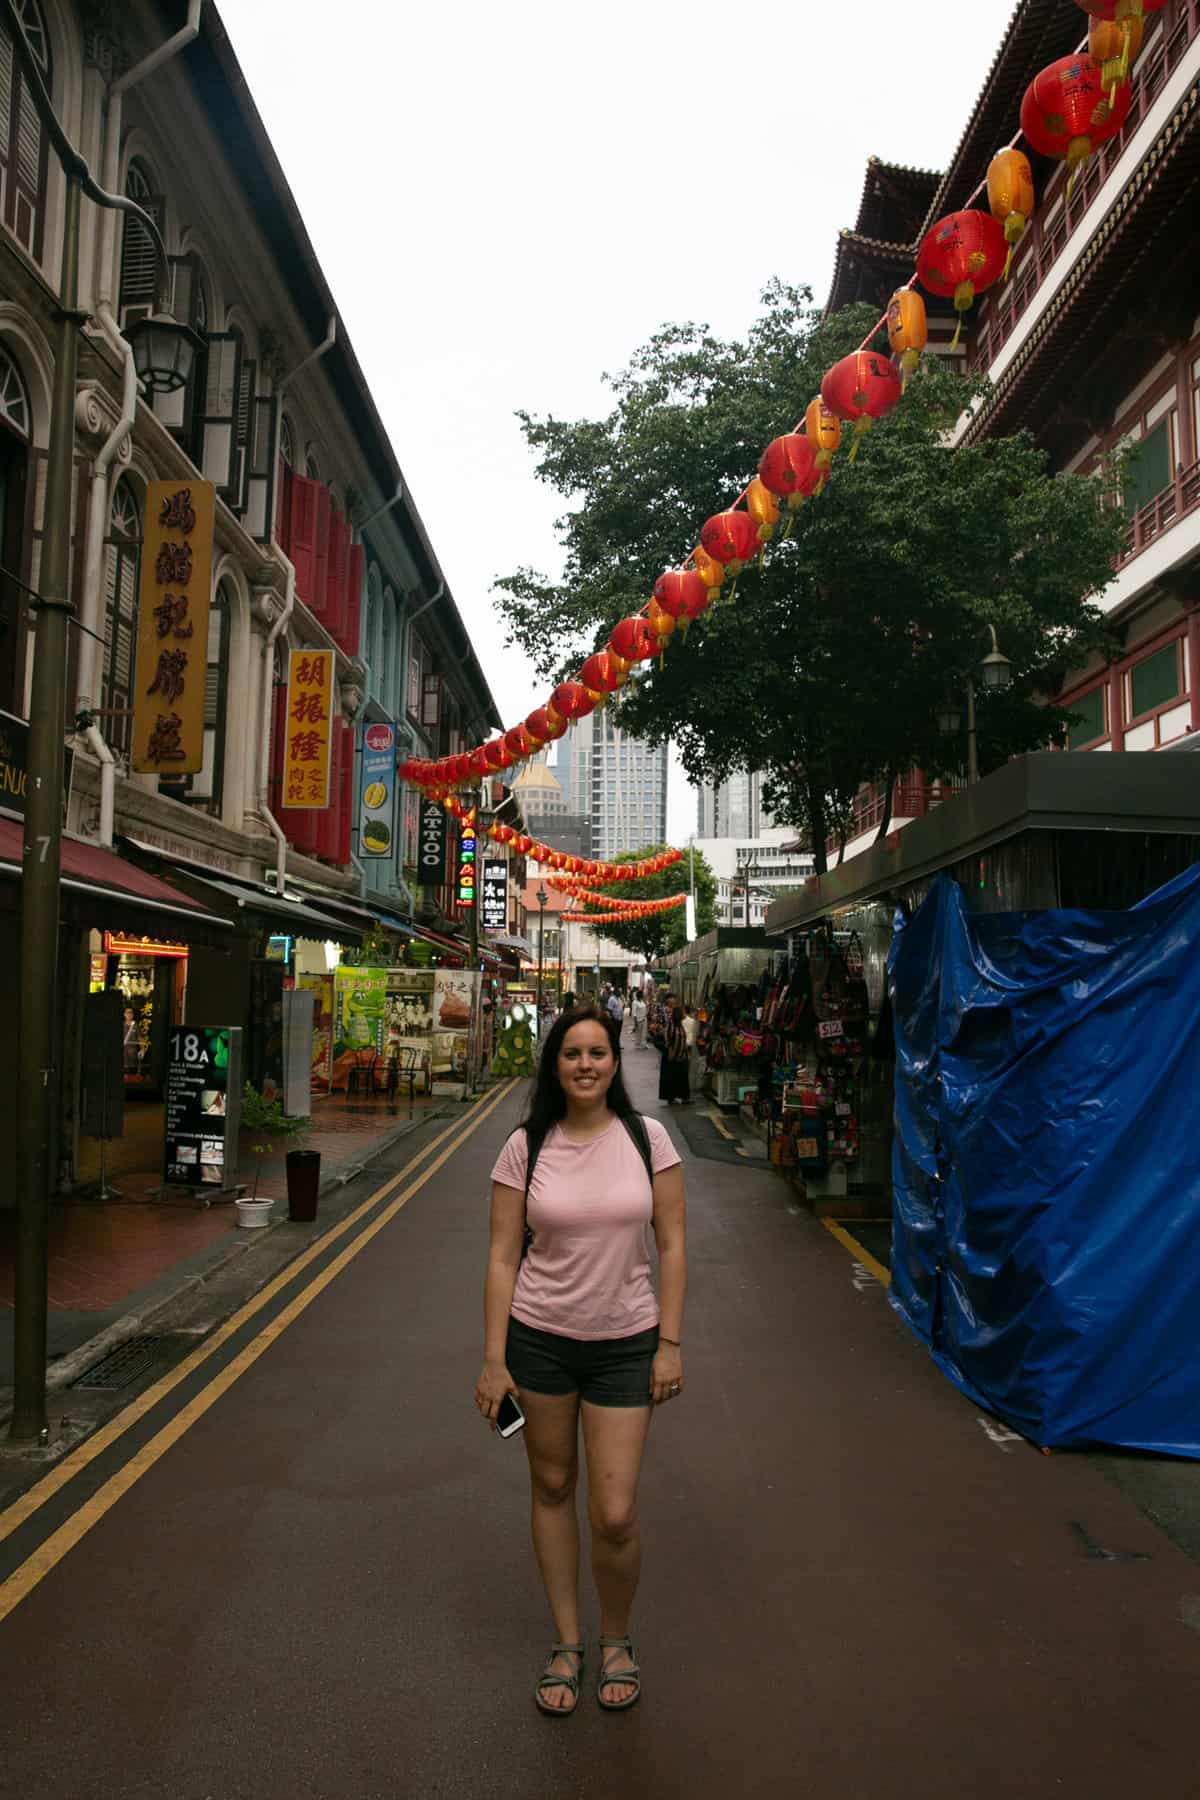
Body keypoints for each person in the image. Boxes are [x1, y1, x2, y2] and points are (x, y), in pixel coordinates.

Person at [476, 1005, 687, 1717]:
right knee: (553, 1485)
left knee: (616, 1511)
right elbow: (504, 1256)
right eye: (573, 1054)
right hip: (540, 1340)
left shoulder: (648, 1138)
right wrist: (493, 1359)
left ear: (613, 1061)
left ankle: (616, 1637)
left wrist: (670, 1343)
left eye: (598, 1053)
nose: (587, 1065)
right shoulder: (525, 1146)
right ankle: (569, 1642)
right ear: (555, 1065)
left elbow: (675, 1245)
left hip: (627, 1341)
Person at [658, 1004, 691, 1106]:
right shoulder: (671, 1024)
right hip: (672, 1057)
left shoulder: (680, 1025)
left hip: (681, 1056)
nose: (684, 1014)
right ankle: (671, 1098)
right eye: (682, 1013)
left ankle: (684, 1098)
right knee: (671, 1078)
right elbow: (668, 1039)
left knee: (682, 1077)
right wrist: (671, 1052)